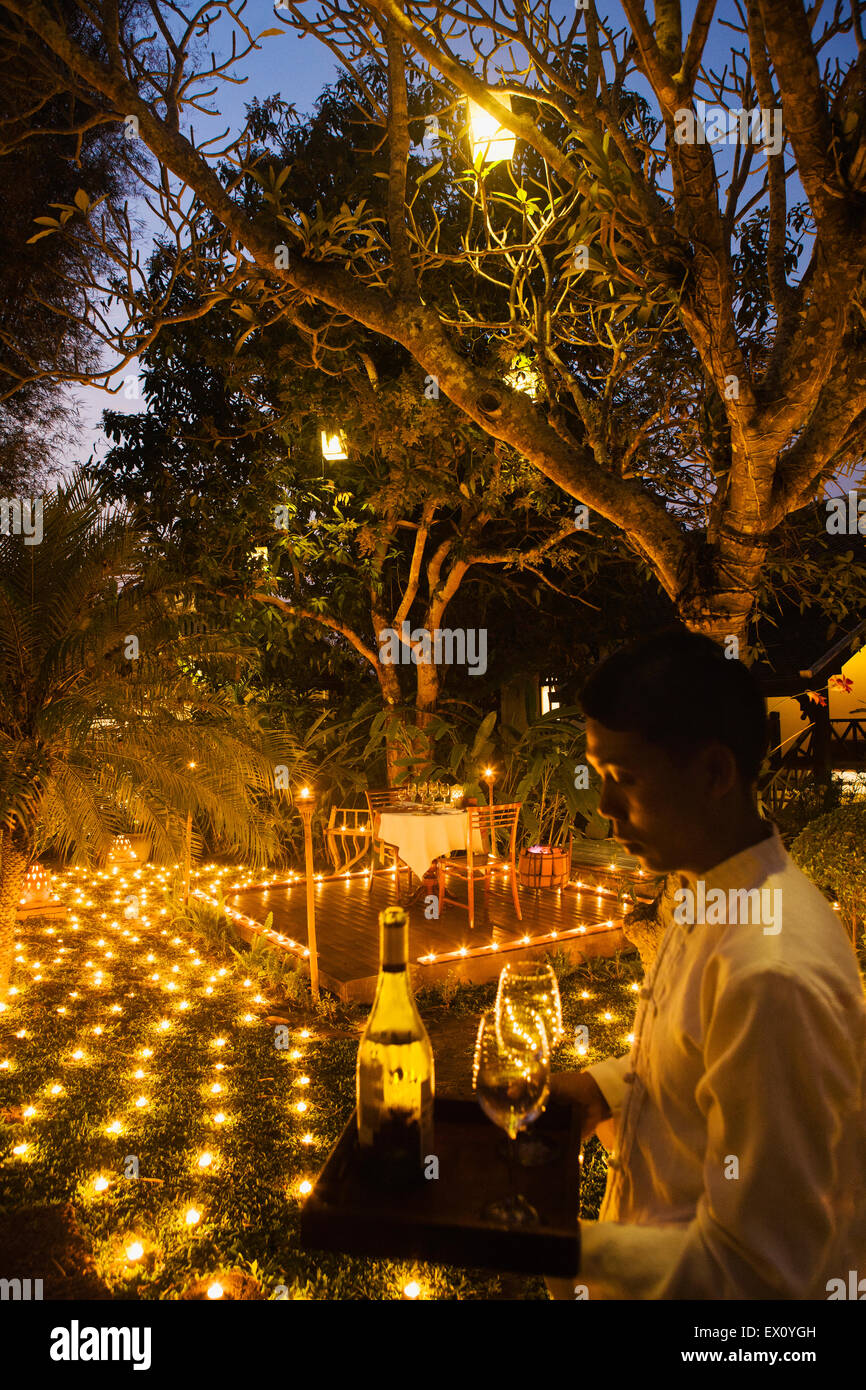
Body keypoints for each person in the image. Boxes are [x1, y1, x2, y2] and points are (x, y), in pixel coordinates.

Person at [547, 627, 866, 1299]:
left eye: (623, 778)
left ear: (716, 773)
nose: (603, 809)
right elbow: (698, 1060)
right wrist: (601, 1090)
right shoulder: (708, 890)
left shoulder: (772, 975)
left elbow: (760, 1276)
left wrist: (555, 1247)